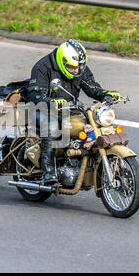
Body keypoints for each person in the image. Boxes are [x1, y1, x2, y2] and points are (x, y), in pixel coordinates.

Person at [26, 39, 120, 185]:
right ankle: (48, 173)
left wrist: (106, 94)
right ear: (62, 61)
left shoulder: (78, 68)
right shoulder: (42, 67)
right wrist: (49, 101)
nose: (77, 71)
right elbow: (34, 94)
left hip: (68, 109)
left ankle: (82, 162)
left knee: (93, 126)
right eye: (72, 67)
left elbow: (91, 87)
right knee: (50, 127)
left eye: (79, 67)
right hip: (43, 110)